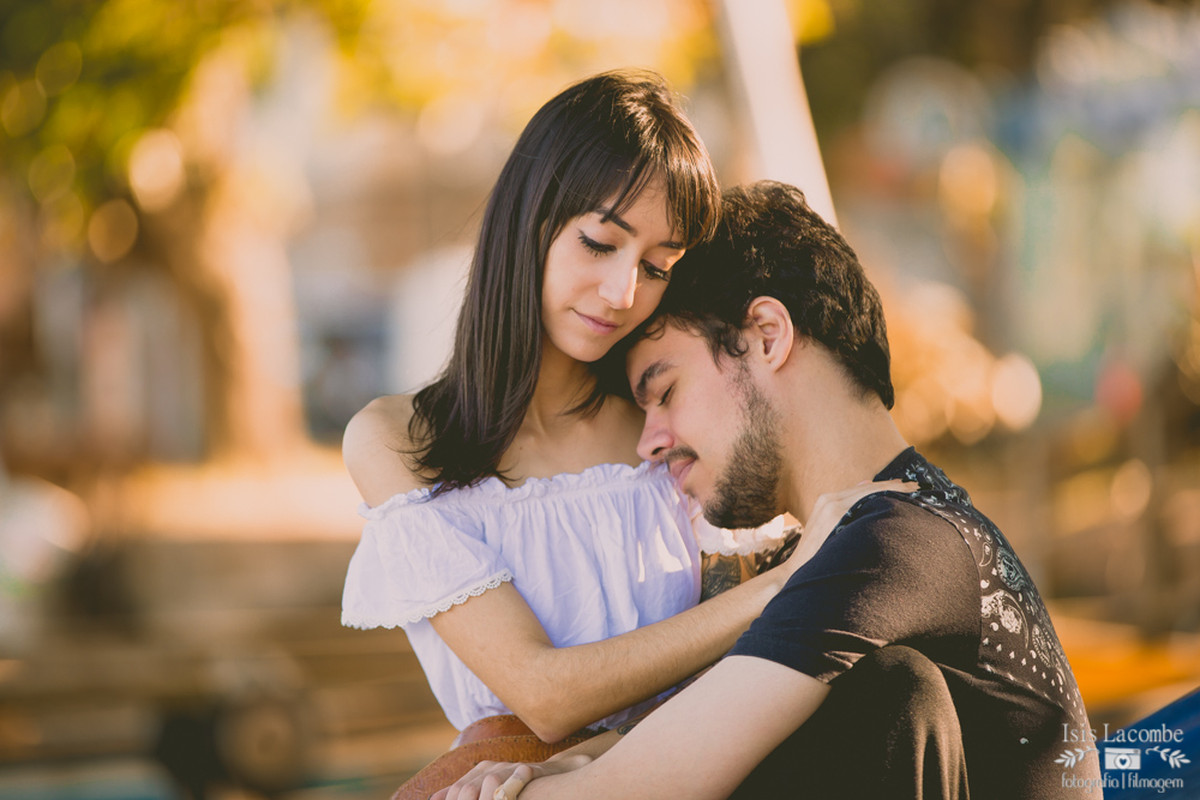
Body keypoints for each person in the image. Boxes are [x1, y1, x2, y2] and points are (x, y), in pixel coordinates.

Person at [440, 180, 1101, 800]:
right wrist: (555, 764)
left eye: (664, 392)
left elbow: (645, 786)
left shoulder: (896, 540)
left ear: (766, 336)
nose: (649, 442)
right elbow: (673, 737)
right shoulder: (879, 531)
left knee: (887, 694)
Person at [339, 71, 901, 782]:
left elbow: (729, 681)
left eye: (658, 266)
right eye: (601, 244)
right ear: (529, 220)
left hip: (688, 769)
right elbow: (544, 697)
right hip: (506, 785)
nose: (623, 293)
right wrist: (793, 583)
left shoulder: (665, 427)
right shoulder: (399, 440)